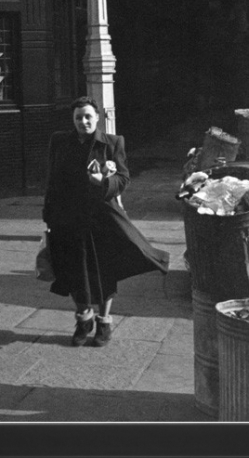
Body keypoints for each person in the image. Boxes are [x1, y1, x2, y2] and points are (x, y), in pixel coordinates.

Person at [42, 96, 170, 347]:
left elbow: (123, 178)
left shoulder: (112, 143)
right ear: (73, 119)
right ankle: (83, 318)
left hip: (101, 219)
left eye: (88, 116)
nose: (83, 121)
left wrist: (102, 182)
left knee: (103, 271)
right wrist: (48, 215)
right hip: (68, 219)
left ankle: (104, 321)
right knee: (72, 270)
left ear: (97, 117)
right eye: (78, 117)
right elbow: (52, 180)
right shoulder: (59, 142)